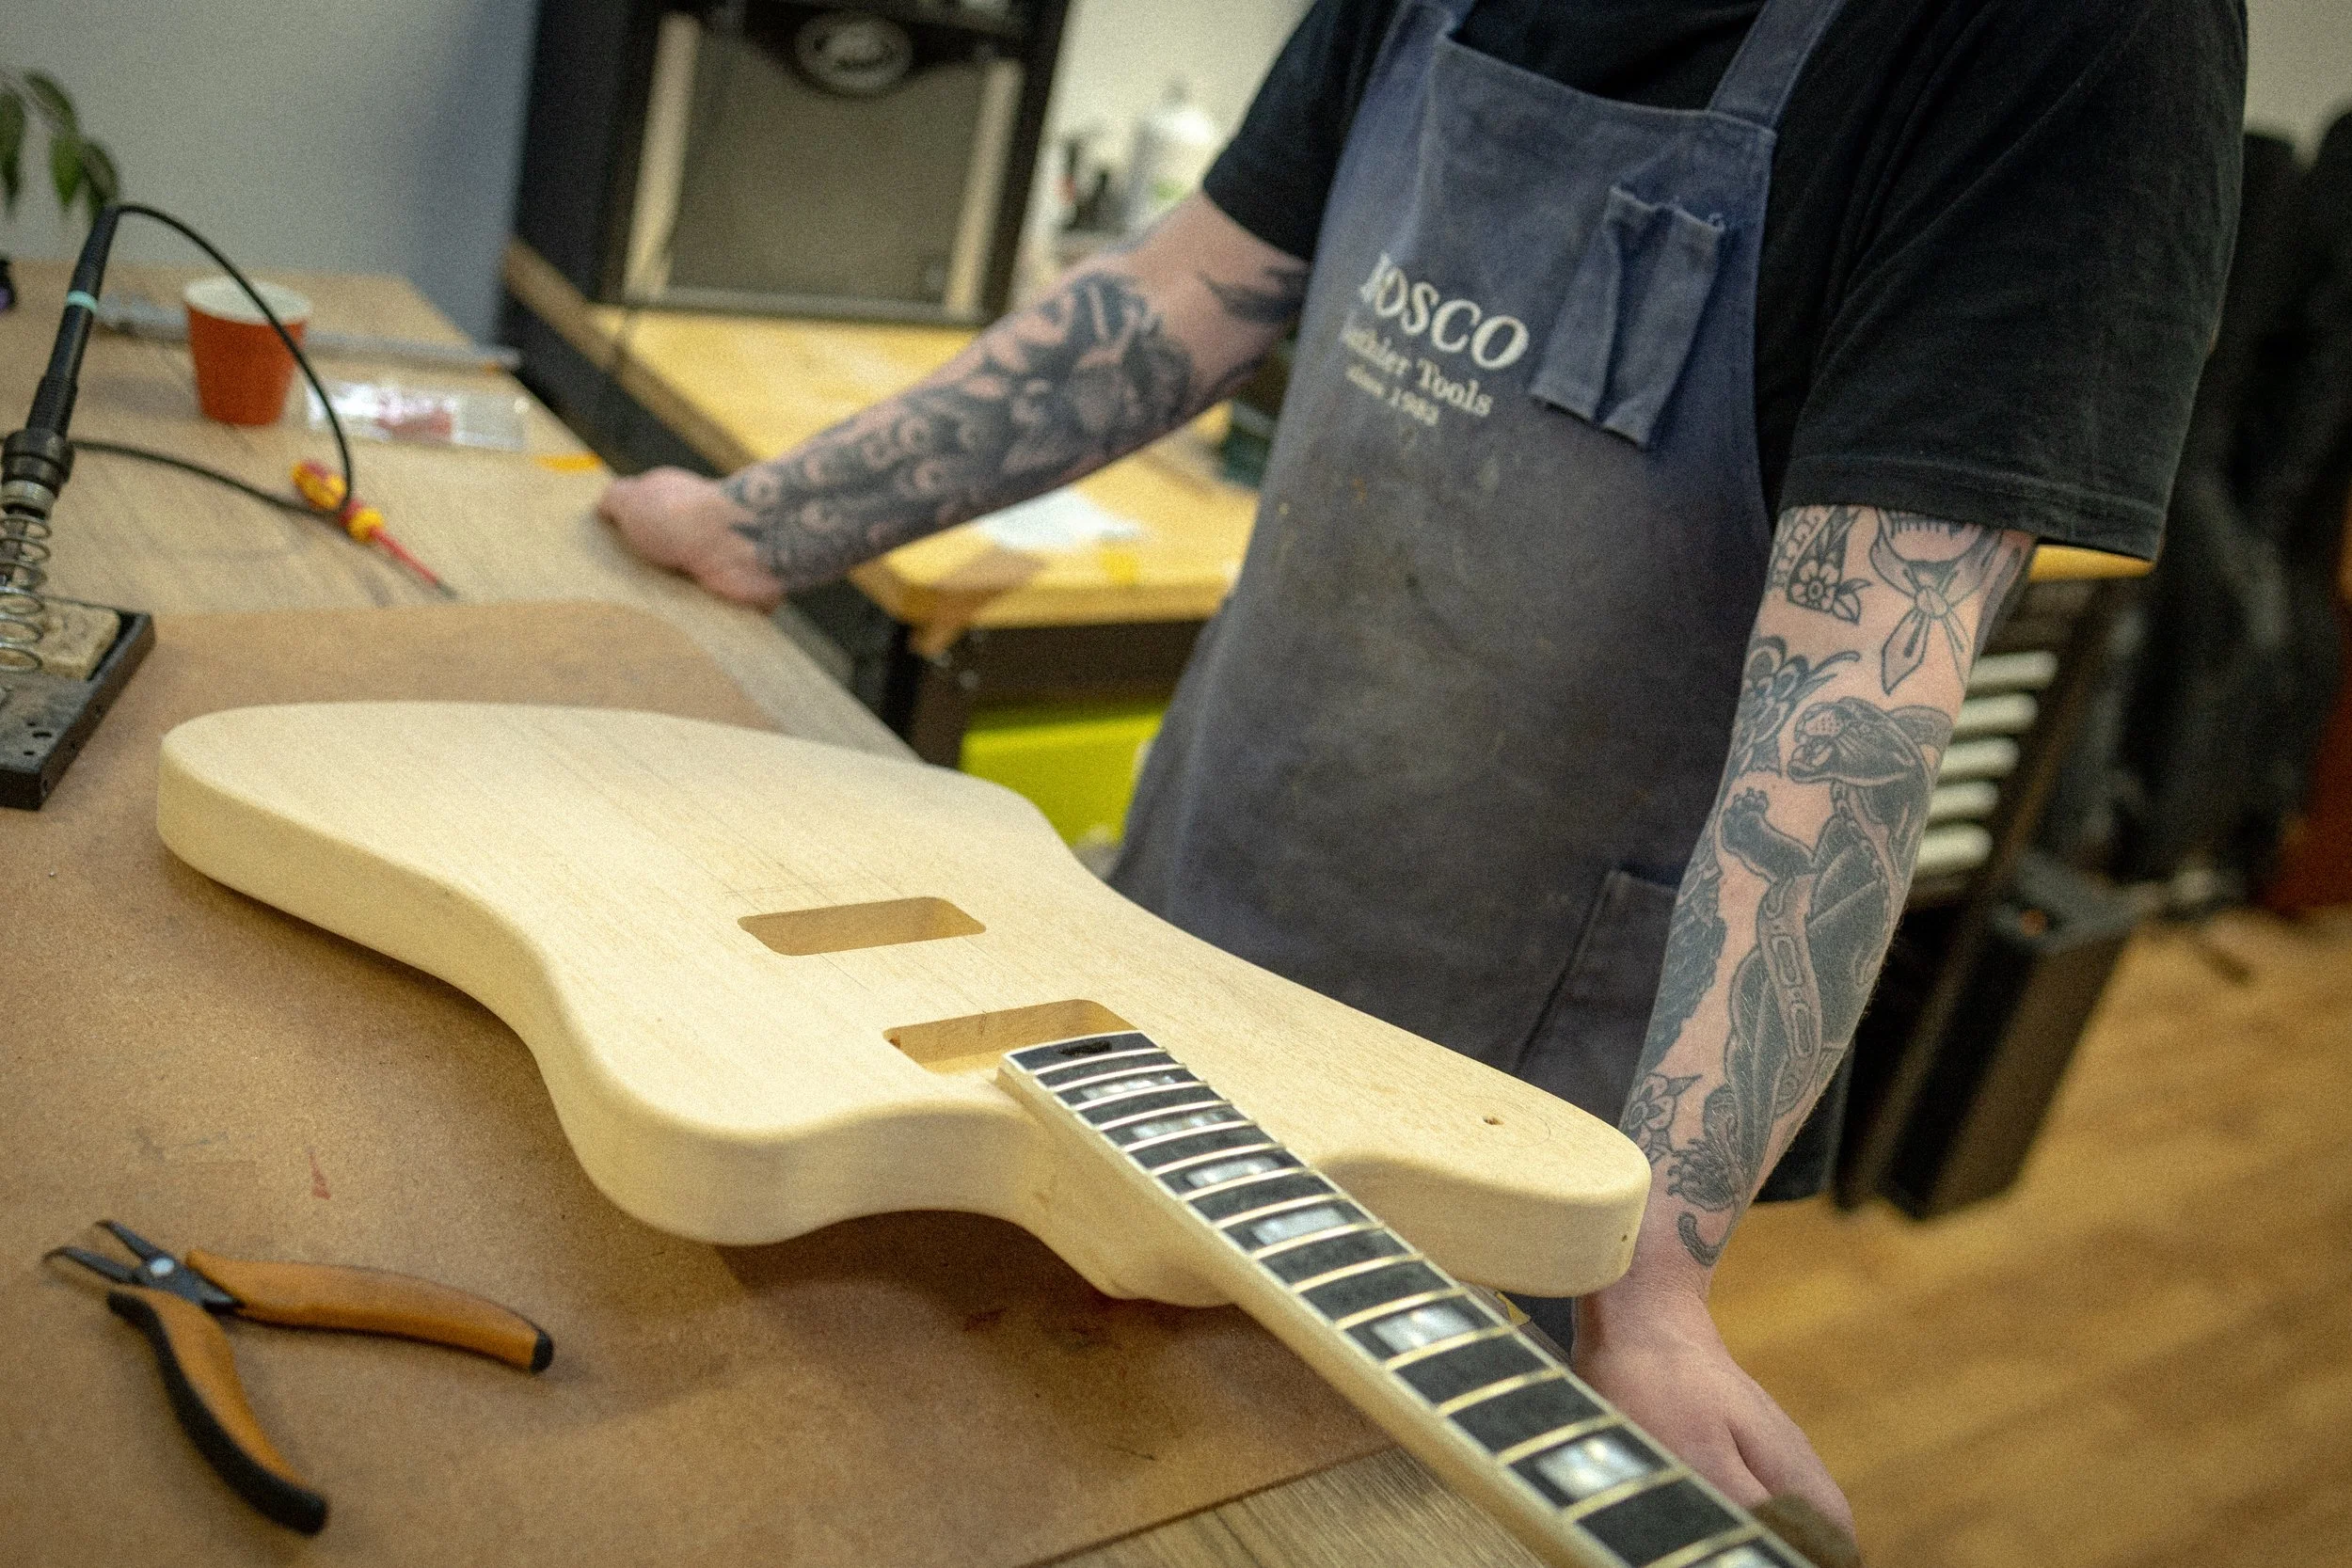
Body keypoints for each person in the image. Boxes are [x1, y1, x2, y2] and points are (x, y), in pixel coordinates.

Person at [600, 0, 2245, 1529]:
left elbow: (1853, 703)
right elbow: (1183, 292)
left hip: (1490, 1115)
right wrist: (761, 527)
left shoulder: (2073, 32)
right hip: (1173, 926)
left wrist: (1650, 1293)